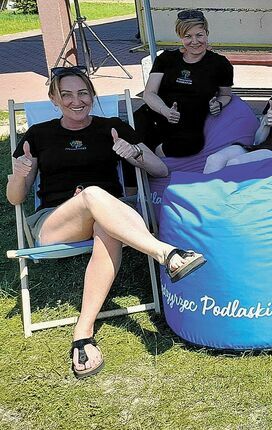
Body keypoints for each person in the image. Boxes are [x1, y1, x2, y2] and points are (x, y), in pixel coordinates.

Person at [6, 67, 207, 380]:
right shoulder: (38, 136)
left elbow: (160, 171)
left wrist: (134, 154)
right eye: (67, 95)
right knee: (93, 196)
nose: (77, 100)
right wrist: (19, 174)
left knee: (104, 220)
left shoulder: (112, 127)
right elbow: (16, 199)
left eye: (83, 93)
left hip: (111, 217)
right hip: (56, 221)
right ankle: (166, 254)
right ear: (54, 99)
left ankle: (82, 333)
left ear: (92, 95)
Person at [135, 9, 234, 158]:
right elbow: (149, 94)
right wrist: (166, 111)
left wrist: (218, 104)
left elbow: (226, 94)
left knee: (191, 144)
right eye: (188, 36)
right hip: (157, 114)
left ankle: (154, 157)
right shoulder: (166, 59)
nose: (194, 41)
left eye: (199, 35)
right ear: (180, 37)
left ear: (207, 33)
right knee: (133, 132)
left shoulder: (220, 64)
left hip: (189, 124)